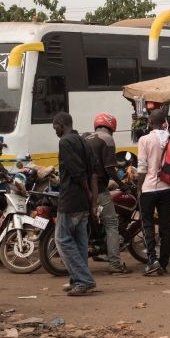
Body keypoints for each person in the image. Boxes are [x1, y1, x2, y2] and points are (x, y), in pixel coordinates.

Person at [53, 111, 99, 296]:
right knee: (80, 241)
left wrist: (88, 192)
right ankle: (77, 278)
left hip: (71, 198)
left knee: (62, 239)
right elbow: (94, 172)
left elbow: (77, 172)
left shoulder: (65, 142)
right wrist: (92, 199)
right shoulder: (83, 141)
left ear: (61, 124)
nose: (55, 130)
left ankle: (83, 280)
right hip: (83, 201)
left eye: (55, 127)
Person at [84, 113, 132, 274]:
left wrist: (119, 163)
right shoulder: (107, 139)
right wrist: (122, 185)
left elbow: (101, 160)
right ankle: (115, 265)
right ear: (112, 126)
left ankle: (98, 251)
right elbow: (109, 168)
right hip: (99, 189)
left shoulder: (87, 138)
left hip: (84, 188)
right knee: (112, 225)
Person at [136, 108, 170, 276]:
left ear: (150, 123)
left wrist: (138, 187)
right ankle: (163, 263)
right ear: (164, 122)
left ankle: (152, 260)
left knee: (147, 224)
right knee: (165, 226)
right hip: (166, 188)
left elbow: (142, 168)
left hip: (149, 188)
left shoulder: (144, 140)